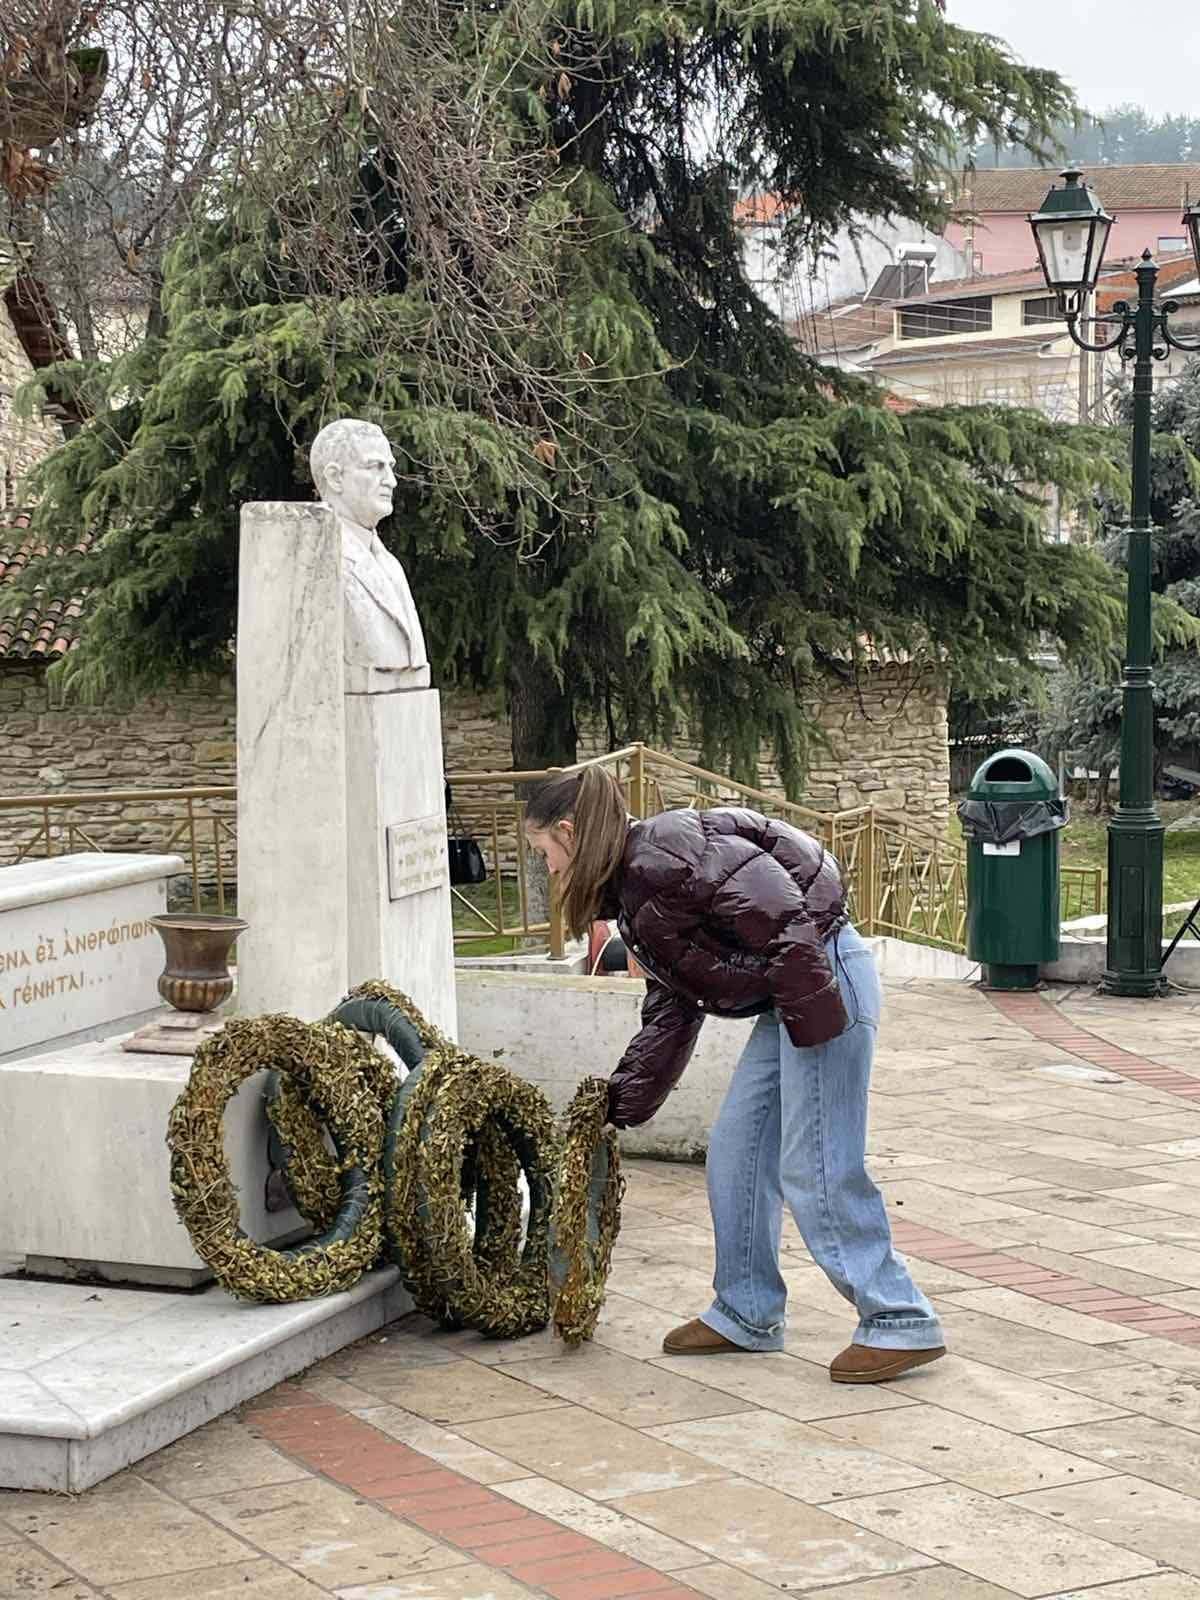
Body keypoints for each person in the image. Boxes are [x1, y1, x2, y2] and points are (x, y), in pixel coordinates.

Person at [524, 766, 944, 1383]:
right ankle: (746, 1311)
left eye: (545, 853)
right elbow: (673, 1007)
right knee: (736, 1153)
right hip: (790, 996)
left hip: (820, 984)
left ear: (568, 832)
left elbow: (783, 914)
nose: (550, 869)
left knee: (816, 1162)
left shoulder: (662, 855)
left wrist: (816, 1034)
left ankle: (898, 1317)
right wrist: (617, 1104)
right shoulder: (637, 889)